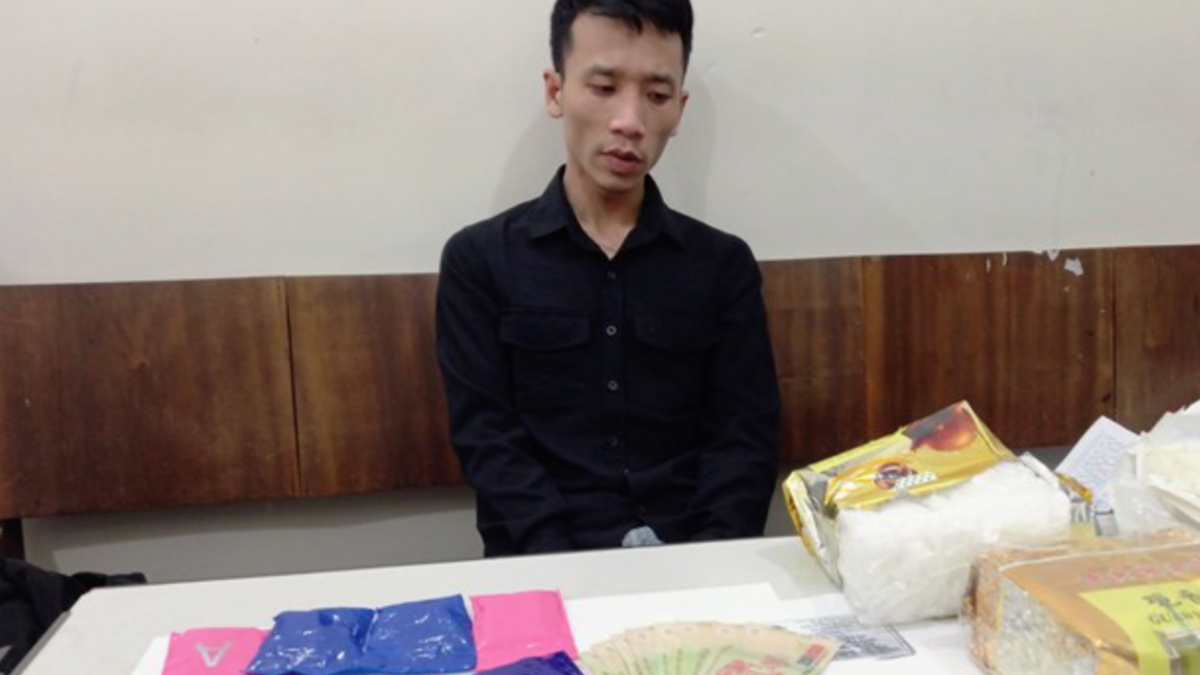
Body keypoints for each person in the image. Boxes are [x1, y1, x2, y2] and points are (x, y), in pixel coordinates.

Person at [436, 0, 779, 557]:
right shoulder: (479, 260)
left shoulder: (723, 265)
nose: (629, 121)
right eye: (603, 87)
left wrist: (713, 562)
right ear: (556, 91)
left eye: (657, 95)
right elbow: (489, 441)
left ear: (679, 110)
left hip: (695, 562)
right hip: (540, 564)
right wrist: (568, 567)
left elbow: (744, 439)